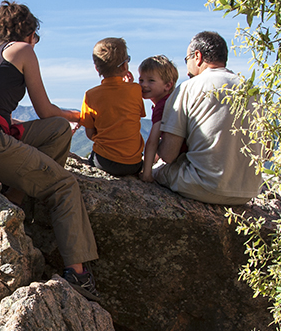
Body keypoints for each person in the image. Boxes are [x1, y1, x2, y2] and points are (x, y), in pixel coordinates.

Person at [0, 0, 99, 299]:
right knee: (64, 185)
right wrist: (82, 116)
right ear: (29, 33)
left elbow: (46, 121)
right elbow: (44, 107)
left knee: (58, 131)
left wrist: (68, 121)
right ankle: (77, 274)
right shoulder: (23, 50)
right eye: (36, 37)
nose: (35, 43)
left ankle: (15, 201)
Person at [151, 31, 263, 205]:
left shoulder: (188, 88)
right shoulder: (250, 89)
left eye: (186, 59)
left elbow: (168, 154)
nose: (187, 66)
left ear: (198, 56)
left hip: (204, 186)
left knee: (156, 169)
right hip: (248, 192)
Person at [79, 37, 146, 177]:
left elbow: (90, 134)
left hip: (104, 161)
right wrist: (129, 85)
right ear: (124, 66)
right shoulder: (136, 90)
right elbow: (133, 117)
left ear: (97, 68)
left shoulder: (90, 95)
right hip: (134, 164)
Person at [138, 55, 182, 183]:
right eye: (141, 80)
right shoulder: (168, 102)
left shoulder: (162, 106)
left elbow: (153, 141)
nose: (144, 85)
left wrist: (146, 174)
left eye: (151, 80)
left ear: (167, 85)